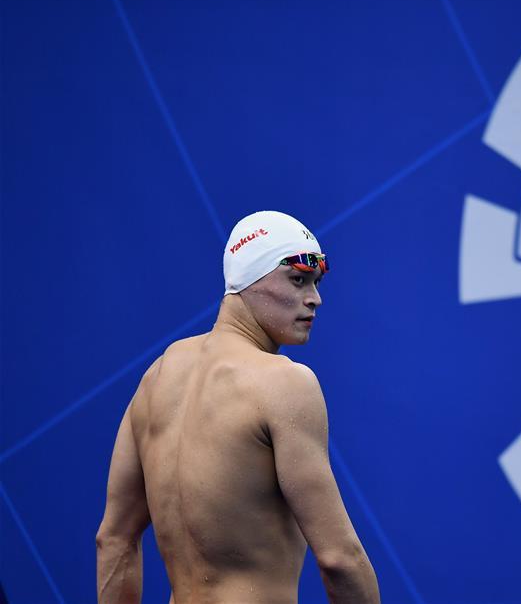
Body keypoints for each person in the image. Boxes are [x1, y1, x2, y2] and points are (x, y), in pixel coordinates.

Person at [96, 211, 380, 604]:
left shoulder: (156, 378)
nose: (315, 298)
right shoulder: (283, 382)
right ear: (247, 280)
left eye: (315, 282)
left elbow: (114, 540)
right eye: (298, 280)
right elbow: (339, 559)